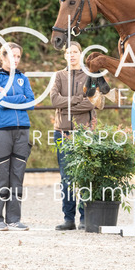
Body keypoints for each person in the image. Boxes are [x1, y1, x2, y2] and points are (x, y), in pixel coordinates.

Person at [0, 42, 35, 231]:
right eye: (12, 55)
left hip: (22, 130)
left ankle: (14, 219)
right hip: (1, 130)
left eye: (18, 56)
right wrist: (19, 98)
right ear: (2, 57)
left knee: (17, 175)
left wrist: (9, 97)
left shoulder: (23, 78)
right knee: (2, 175)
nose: (16, 59)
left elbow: (31, 102)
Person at [51, 42, 97, 230]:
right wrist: (78, 100)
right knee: (66, 177)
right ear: (64, 56)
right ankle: (68, 218)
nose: (72, 55)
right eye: (68, 52)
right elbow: (54, 100)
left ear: (81, 54)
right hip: (62, 132)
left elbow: (91, 103)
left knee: (85, 175)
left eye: (75, 52)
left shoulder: (90, 76)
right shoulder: (59, 76)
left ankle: (85, 217)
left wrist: (67, 107)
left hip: (84, 132)